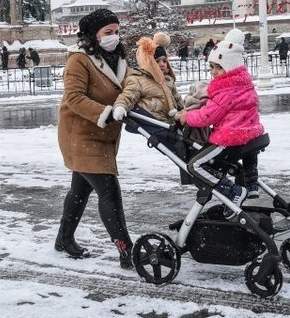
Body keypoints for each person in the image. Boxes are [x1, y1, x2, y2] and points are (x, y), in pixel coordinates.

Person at [56, 8, 134, 269]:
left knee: (80, 189)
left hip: (105, 135)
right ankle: (127, 251)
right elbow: (74, 98)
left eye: (117, 32)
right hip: (81, 134)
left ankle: (64, 238)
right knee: (109, 192)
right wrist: (106, 113)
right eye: (108, 33)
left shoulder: (119, 60)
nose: (114, 37)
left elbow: (132, 89)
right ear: (93, 35)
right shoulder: (79, 60)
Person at [175, 29, 265, 218]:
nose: (213, 72)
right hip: (250, 135)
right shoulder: (244, 84)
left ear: (230, 67)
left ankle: (232, 191)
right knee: (234, 162)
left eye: (218, 67)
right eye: (211, 68)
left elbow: (208, 117)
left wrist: (186, 117)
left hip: (229, 137)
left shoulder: (226, 90)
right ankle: (251, 184)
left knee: (195, 166)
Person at [111, 32, 184, 142]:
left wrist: (186, 111)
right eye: (157, 61)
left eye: (164, 60)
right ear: (147, 61)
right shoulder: (138, 79)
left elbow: (178, 100)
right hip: (156, 124)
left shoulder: (167, 80)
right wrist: (120, 106)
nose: (162, 64)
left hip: (172, 124)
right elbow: (128, 95)